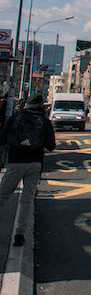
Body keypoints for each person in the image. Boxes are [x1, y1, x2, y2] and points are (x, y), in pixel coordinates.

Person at [0, 95, 56, 246]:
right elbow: (51, 145)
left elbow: (2, 138)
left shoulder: (15, 118)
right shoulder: (44, 121)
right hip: (34, 163)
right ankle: (20, 233)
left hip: (15, 161)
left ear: (27, 104)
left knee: (2, 196)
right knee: (27, 200)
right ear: (40, 105)